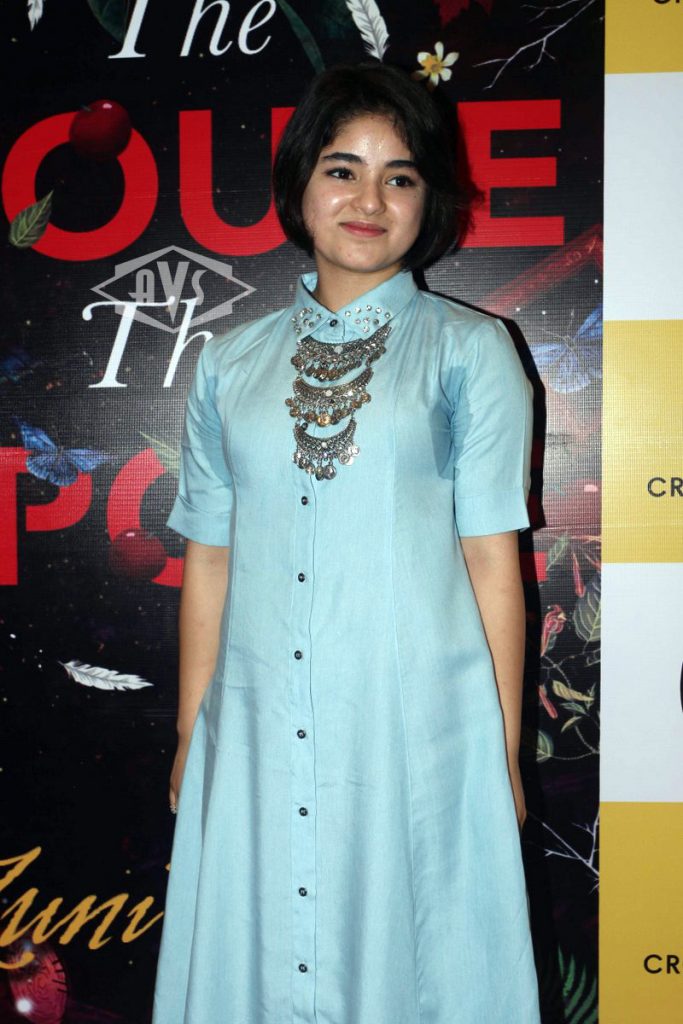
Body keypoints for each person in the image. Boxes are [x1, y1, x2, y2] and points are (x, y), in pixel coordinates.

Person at [152, 62, 541, 1024]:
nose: (369, 200)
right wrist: (192, 730)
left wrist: (496, 753)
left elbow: (492, 563)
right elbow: (211, 556)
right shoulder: (228, 362)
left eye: (398, 177)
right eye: (342, 170)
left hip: (413, 725)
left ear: (428, 200)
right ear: (298, 187)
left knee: (413, 967)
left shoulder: (470, 349)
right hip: (253, 724)